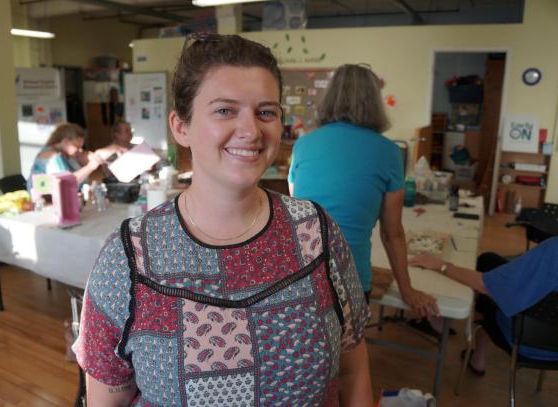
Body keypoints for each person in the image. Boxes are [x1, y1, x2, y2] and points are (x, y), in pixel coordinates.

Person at [74, 34, 373, 406]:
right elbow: (106, 402)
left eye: (266, 112)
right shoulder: (129, 258)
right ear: (181, 127)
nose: (251, 130)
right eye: (225, 110)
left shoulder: (316, 232)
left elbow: (353, 369)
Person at [288, 64, 438, 318]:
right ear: (375, 102)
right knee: (348, 355)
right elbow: (392, 234)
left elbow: (298, 207)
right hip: (351, 277)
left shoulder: (303, 145)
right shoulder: (389, 152)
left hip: (298, 275)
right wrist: (407, 288)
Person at [409, 237, 558, 375]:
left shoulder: (553, 249)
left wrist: (440, 265)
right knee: (490, 261)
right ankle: (474, 355)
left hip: (524, 339)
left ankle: (476, 356)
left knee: (487, 275)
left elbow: (485, 286)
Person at [27, 123, 103, 188]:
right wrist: (90, 167)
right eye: (77, 146)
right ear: (66, 142)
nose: (80, 150)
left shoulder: (64, 154)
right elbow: (66, 182)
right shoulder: (52, 156)